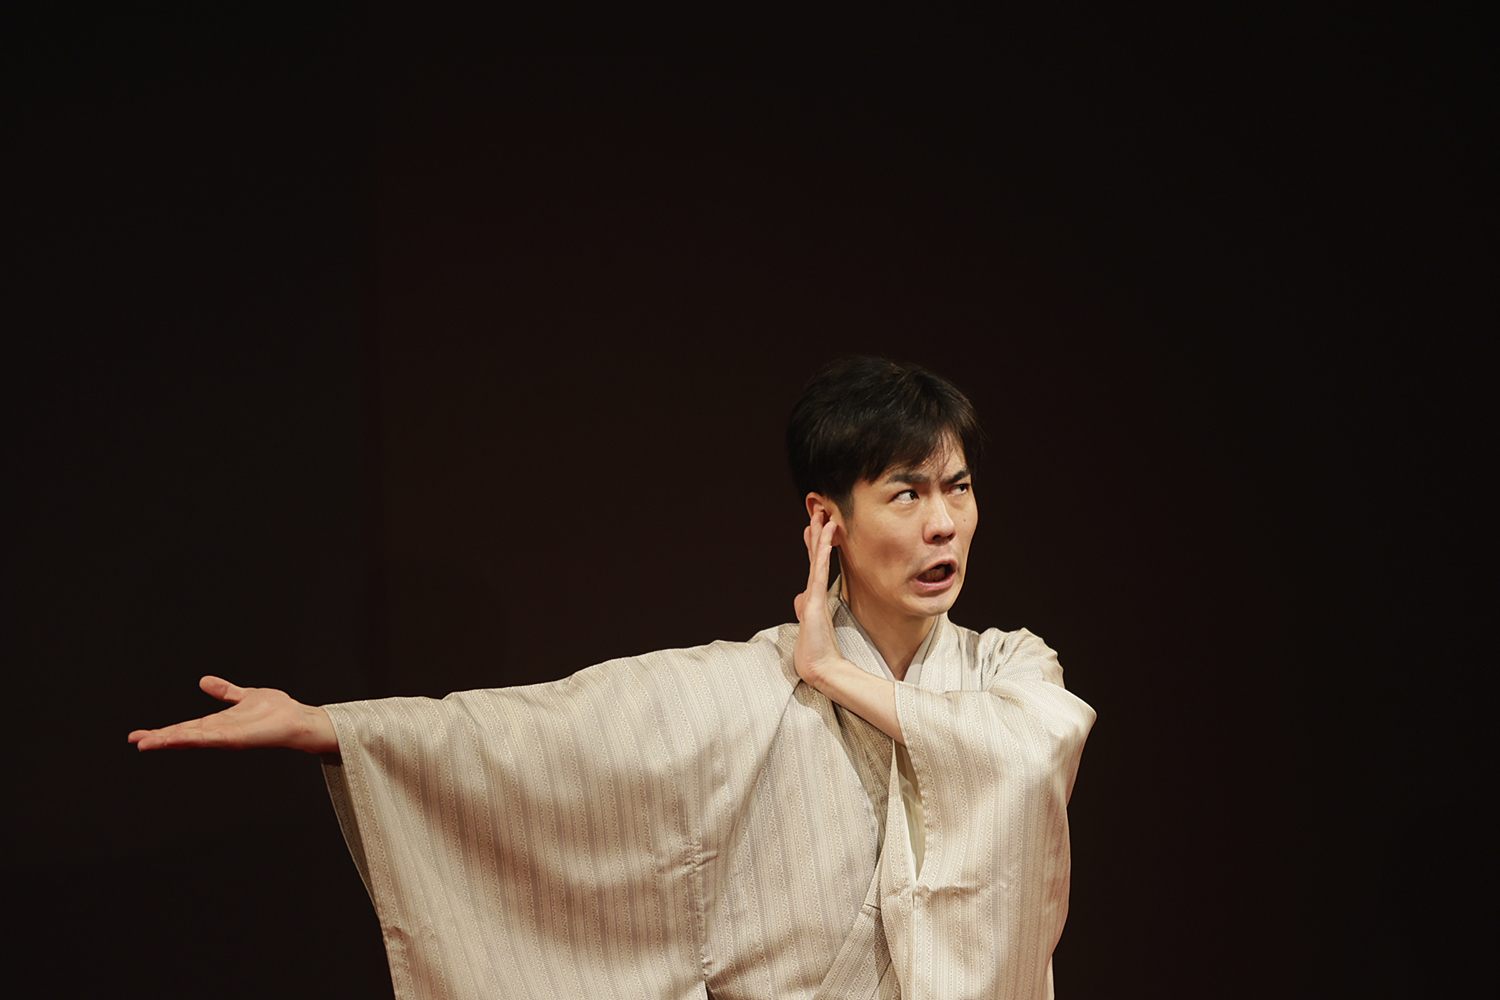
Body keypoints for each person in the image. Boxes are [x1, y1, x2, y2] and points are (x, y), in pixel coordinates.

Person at [130, 356, 1095, 1000]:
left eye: (958, 488)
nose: (943, 523)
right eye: (907, 493)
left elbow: (1027, 753)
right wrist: (331, 727)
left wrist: (833, 674)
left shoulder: (1009, 665)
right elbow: (554, 733)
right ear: (826, 519)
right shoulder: (747, 685)